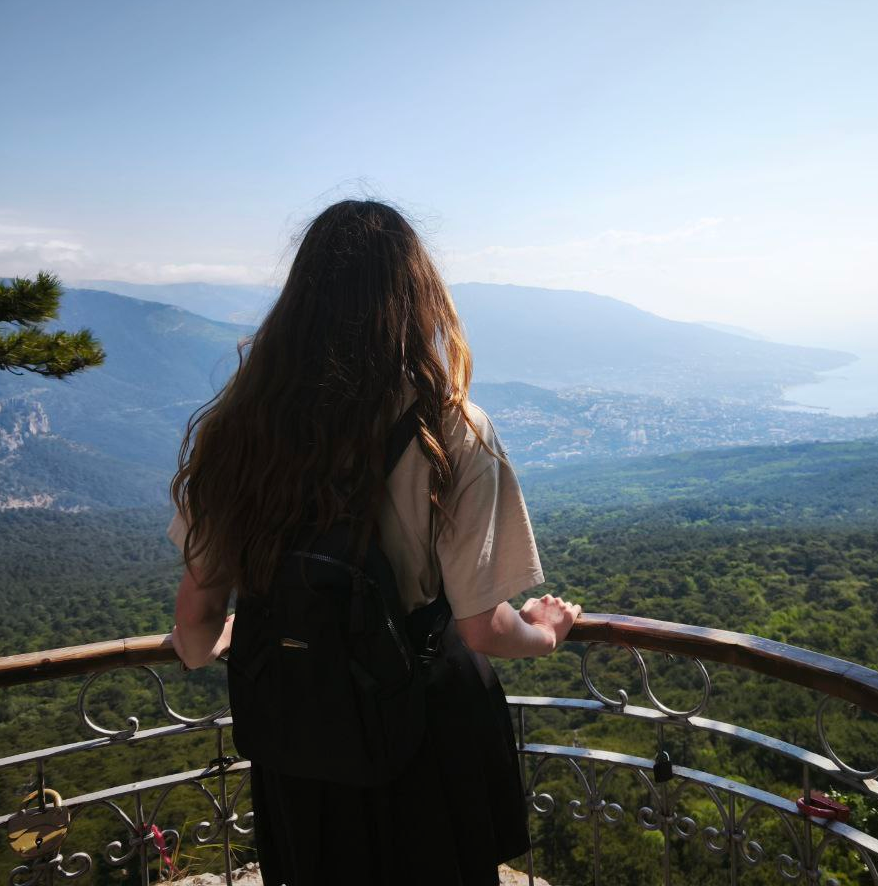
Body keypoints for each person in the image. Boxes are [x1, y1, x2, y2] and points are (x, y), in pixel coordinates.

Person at [166, 198, 581, 886]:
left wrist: (255, 635)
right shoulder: (450, 430)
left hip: (299, 739)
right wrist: (545, 631)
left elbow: (194, 622)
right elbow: (481, 626)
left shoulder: (239, 433)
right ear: (418, 300)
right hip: (421, 734)